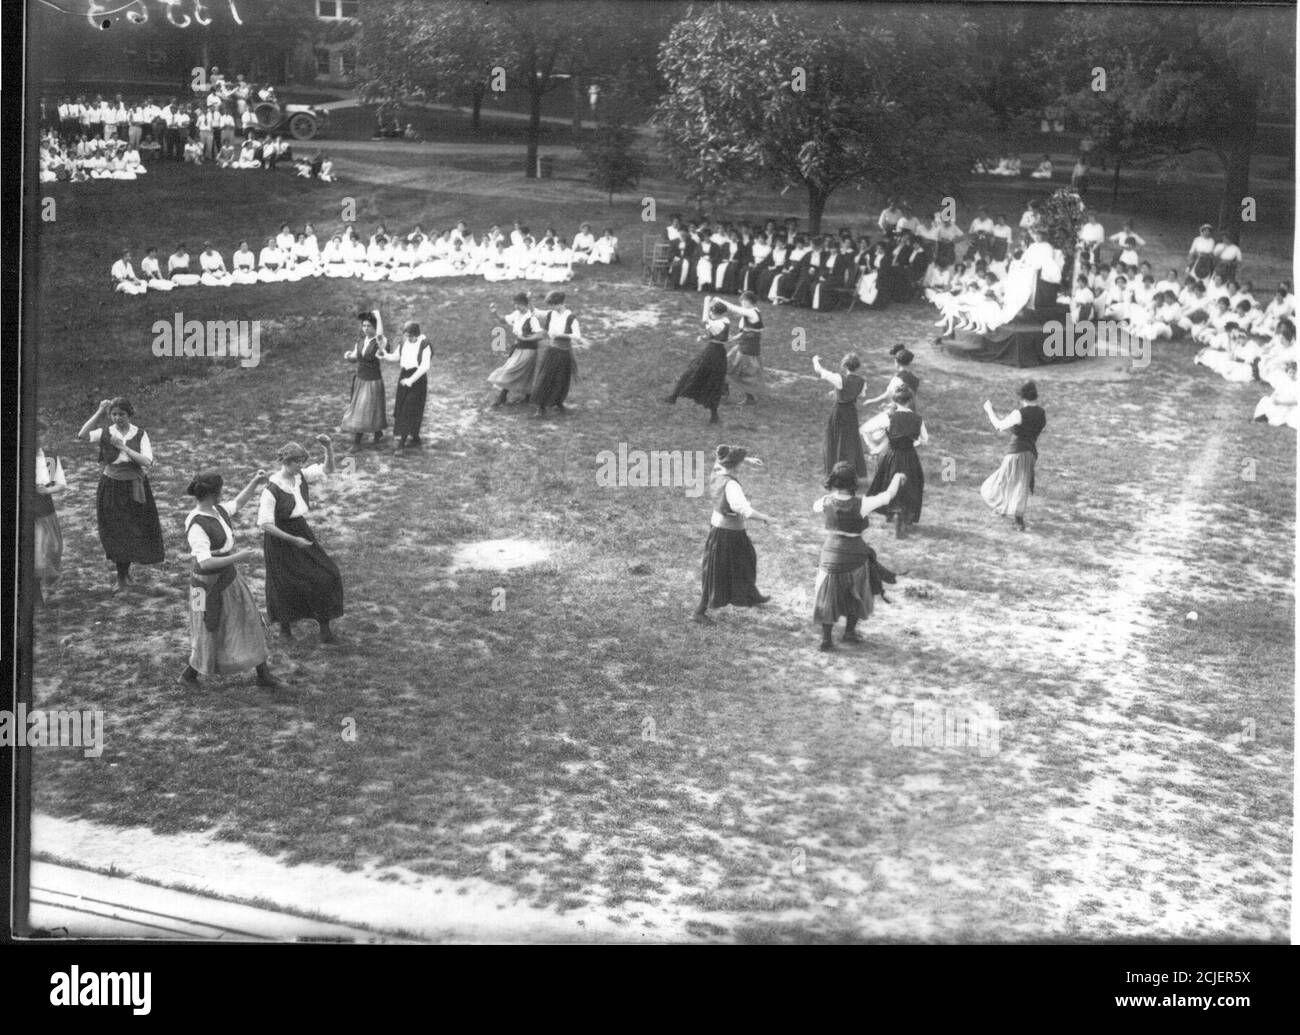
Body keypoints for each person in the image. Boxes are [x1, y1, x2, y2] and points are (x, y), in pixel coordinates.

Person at [179, 469, 285, 689]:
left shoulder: (218, 510)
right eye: (220, 490)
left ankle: (262, 673)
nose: (223, 494)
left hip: (228, 577)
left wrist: (255, 482)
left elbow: (238, 503)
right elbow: (205, 562)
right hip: (204, 586)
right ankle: (189, 674)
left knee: (248, 619)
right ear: (213, 494)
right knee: (207, 627)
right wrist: (239, 557)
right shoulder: (197, 523)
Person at [811, 463, 907, 651]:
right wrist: (897, 477)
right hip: (854, 556)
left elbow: (816, 506)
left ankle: (826, 639)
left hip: (830, 555)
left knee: (827, 598)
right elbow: (888, 496)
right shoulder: (862, 503)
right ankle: (849, 632)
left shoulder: (825, 501)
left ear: (834, 481)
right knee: (856, 593)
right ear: (854, 482)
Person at [259, 437, 343, 643]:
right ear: (287, 461)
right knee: (284, 582)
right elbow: (265, 524)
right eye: (298, 462)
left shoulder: (300, 476)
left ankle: (324, 626)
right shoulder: (271, 489)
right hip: (279, 537)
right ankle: (285, 629)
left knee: (326, 574)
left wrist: (328, 447)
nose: (301, 466)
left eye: (302, 462)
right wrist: (292, 540)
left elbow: (328, 469)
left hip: (300, 530)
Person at [77, 397, 165, 592]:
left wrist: (123, 447)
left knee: (133, 528)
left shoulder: (140, 434)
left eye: (121, 414)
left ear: (129, 414)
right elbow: (82, 435)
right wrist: (99, 412)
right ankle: (121, 576)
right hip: (111, 486)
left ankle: (127, 572)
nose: (117, 418)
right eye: (114, 414)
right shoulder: (106, 432)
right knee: (116, 529)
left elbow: (147, 461)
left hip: (134, 485)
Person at [693, 444, 775, 624]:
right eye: (740, 463)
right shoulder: (731, 485)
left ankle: (751, 595)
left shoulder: (717, 470)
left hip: (723, 528)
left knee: (746, 559)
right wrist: (764, 517)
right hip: (727, 533)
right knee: (717, 572)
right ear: (735, 465)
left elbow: (721, 454)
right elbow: (743, 510)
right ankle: (699, 611)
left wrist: (746, 459)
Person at [980, 381, 1046, 531]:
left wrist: (989, 410)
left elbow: (999, 425)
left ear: (1021, 397)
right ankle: (1017, 519)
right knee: (1020, 485)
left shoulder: (1019, 414)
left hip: (1016, 452)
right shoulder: (1041, 413)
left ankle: (1004, 509)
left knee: (998, 483)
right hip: (1031, 453)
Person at [863, 386, 928, 537]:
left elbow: (866, 429)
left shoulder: (888, 416)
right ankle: (904, 515)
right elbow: (925, 440)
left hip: (892, 456)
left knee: (888, 482)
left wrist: (874, 447)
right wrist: (914, 442)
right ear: (910, 400)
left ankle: (892, 512)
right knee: (911, 485)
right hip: (909, 456)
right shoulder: (918, 419)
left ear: (894, 400)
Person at [665, 300, 732, 424]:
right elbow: (713, 334)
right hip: (717, 353)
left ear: (715, 312)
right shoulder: (725, 320)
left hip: (712, 354)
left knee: (694, 374)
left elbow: (705, 320)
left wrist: (706, 303)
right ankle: (713, 415)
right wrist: (703, 337)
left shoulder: (719, 324)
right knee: (712, 382)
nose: (711, 314)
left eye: (712, 311)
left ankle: (674, 397)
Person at [532, 291, 589, 417]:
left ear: (560, 303)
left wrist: (562, 335)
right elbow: (536, 312)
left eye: (553, 305)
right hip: (552, 351)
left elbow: (578, 337)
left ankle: (558, 402)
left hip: (564, 352)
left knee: (561, 379)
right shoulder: (552, 313)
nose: (551, 308)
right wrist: (528, 300)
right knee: (546, 377)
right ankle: (541, 407)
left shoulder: (570, 318)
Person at [813, 352, 868, 480]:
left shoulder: (839, 378)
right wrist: (837, 392)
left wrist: (815, 360)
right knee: (851, 440)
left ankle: (836, 470)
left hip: (839, 412)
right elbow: (861, 395)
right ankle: (852, 470)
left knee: (836, 439)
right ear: (857, 367)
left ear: (845, 366)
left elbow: (819, 370)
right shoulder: (862, 381)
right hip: (851, 412)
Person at [340, 310, 390, 450]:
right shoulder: (361, 342)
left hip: (373, 381)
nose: (366, 328)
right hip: (360, 380)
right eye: (364, 326)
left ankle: (357, 442)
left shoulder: (380, 342)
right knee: (369, 408)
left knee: (363, 409)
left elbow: (380, 335)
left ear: (375, 327)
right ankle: (378, 432)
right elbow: (355, 357)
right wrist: (348, 356)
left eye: (369, 326)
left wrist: (379, 316)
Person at [381, 321, 433, 451]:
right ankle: (415, 436)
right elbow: (395, 357)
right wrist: (385, 355)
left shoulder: (424, 345)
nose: (409, 339)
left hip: (418, 379)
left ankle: (401, 444)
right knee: (401, 406)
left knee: (409, 409)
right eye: (407, 336)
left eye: (411, 336)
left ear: (417, 334)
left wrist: (411, 380)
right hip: (404, 376)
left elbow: (424, 366)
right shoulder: (404, 343)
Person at [487, 293, 545, 407]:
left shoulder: (532, 319)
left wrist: (525, 338)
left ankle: (502, 397)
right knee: (524, 373)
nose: (517, 307)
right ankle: (527, 396)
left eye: (520, 305)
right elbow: (503, 321)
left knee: (512, 370)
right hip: (518, 348)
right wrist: (495, 312)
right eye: (516, 304)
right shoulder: (516, 315)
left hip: (529, 349)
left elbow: (540, 335)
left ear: (526, 305)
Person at [33, 420, 67, 609]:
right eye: (35, 434)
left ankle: (46, 588)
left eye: (42, 434)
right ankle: (36, 596)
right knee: (36, 553)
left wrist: (46, 491)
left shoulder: (50, 458)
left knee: (53, 549)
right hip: (29, 511)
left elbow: (60, 484)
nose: (39, 438)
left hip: (46, 509)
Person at [716, 291, 766, 404]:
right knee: (741, 372)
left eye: (743, 301)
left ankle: (725, 395)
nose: (741, 303)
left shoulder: (752, 313)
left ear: (748, 301)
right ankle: (748, 397)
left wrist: (721, 301)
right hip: (746, 347)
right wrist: (733, 339)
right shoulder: (754, 312)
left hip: (747, 349)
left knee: (731, 370)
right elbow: (746, 331)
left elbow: (735, 309)